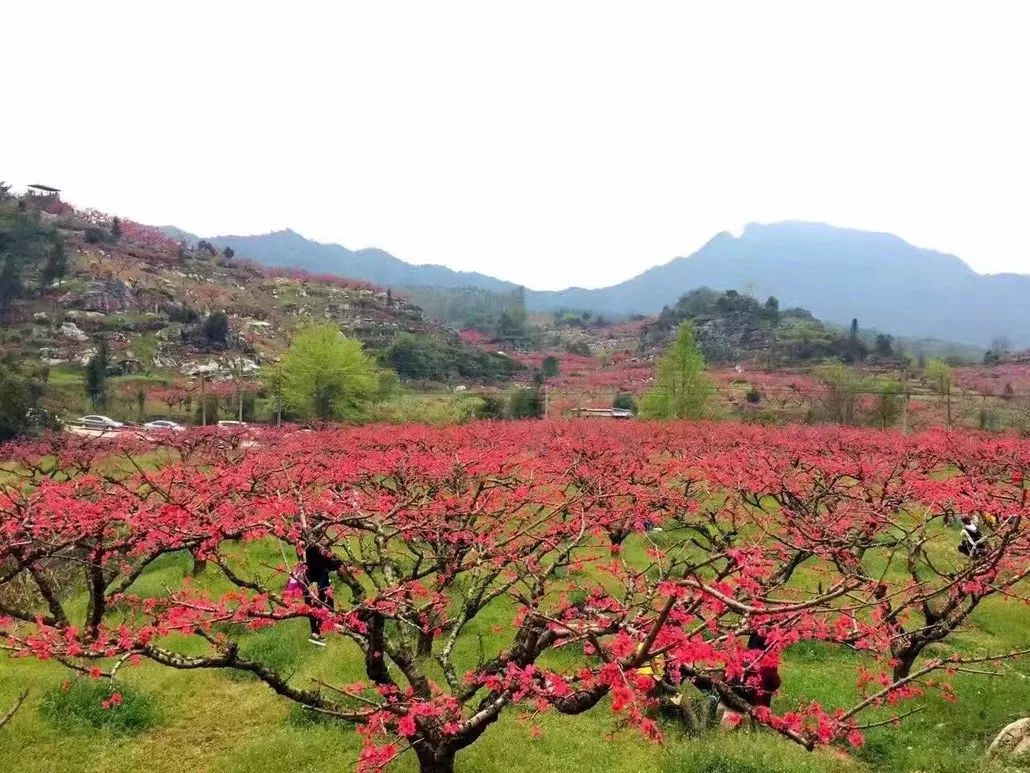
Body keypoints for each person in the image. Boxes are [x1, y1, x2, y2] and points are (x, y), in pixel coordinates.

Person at [302, 534, 343, 646]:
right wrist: (340, 562)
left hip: (310, 582)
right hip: (317, 583)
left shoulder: (305, 547)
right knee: (319, 607)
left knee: (316, 607)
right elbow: (329, 563)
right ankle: (317, 633)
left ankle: (319, 632)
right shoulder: (313, 550)